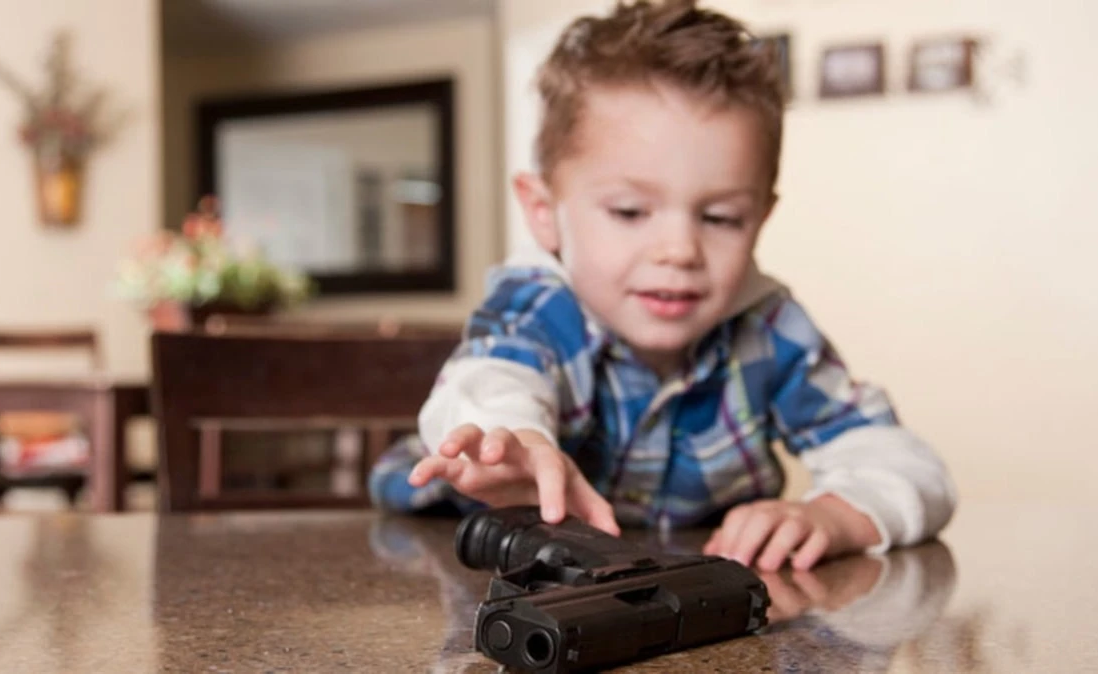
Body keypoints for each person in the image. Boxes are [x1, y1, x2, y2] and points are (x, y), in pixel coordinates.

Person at [369, 0, 956, 571]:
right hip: (461, 569)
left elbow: (908, 466)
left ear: (760, 219)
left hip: (681, 589)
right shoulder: (539, 305)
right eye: (629, 212)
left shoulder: (769, 330)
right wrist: (515, 440)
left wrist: (833, 516)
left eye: (721, 217)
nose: (679, 250)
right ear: (544, 212)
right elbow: (490, 379)